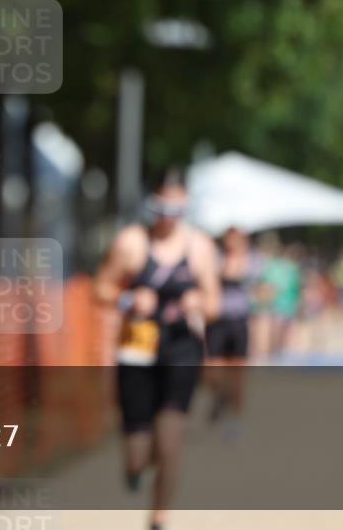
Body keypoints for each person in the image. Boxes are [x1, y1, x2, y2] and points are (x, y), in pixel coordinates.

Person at [94, 168, 220, 530]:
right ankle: (134, 467)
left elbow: (214, 303)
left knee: (169, 444)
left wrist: (198, 303)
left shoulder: (200, 248)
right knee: (138, 454)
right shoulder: (131, 242)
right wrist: (130, 299)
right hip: (137, 349)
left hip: (182, 349)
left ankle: (158, 517)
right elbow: (99, 289)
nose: (168, 218)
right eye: (162, 209)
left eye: (177, 211)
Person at [204, 227, 258, 435]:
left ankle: (235, 416)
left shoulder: (252, 259)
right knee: (212, 371)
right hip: (217, 320)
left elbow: (252, 277)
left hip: (239, 320)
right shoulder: (216, 257)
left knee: (237, 374)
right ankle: (220, 397)